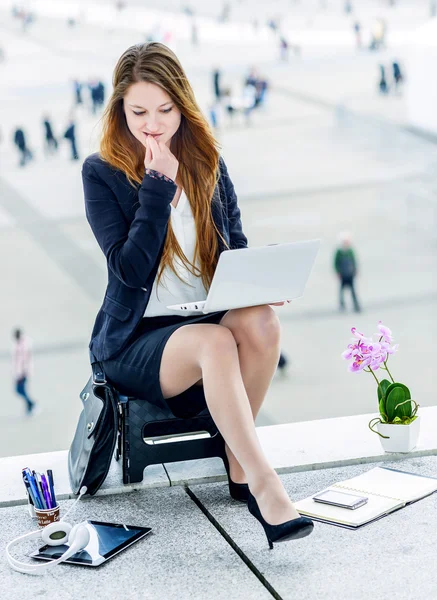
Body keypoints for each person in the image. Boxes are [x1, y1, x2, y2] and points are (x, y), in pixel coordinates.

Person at [82, 42, 314, 547]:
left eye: (165, 110)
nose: (153, 124)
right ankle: (265, 483)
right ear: (120, 108)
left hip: (204, 320)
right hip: (136, 341)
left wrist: (260, 285)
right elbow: (127, 269)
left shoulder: (207, 161)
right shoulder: (101, 172)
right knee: (214, 342)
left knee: (260, 322)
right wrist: (158, 186)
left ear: (182, 106)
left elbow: (236, 248)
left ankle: (236, 462)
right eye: (139, 110)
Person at [12, 329, 38, 415]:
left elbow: (23, 360)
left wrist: (21, 373)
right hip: (21, 372)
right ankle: (29, 407)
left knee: (20, 390)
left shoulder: (23, 345)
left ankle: (32, 404)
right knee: (21, 390)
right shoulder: (20, 343)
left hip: (23, 372)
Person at [334, 233, 361, 313]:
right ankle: (342, 305)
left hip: (350, 274)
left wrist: (355, 269)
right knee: (341, 291)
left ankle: (356, 305)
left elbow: (354, 261)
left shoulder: (350, 251)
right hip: (343, 274)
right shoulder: (339, 252)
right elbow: (335, 263)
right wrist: (337, 272)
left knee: (353, 290)